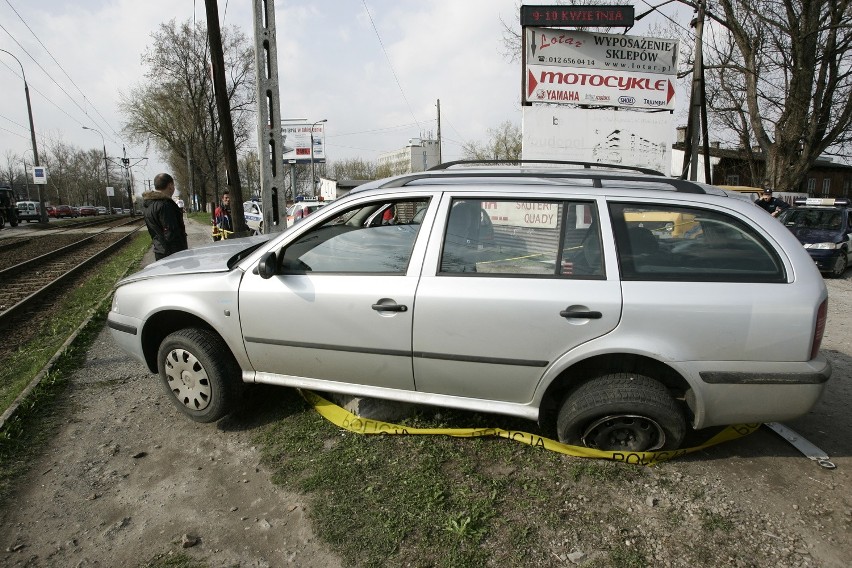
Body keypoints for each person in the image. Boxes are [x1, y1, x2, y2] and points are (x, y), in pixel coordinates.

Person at [142, 173, 188, 260]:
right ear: (170, 185)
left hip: (159, 251)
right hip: (173, 254)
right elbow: (171, 232)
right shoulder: (165, 205)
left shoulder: (148, 205)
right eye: (173, 185)